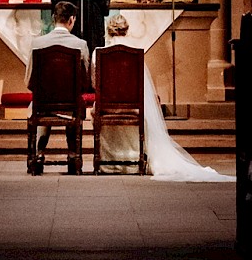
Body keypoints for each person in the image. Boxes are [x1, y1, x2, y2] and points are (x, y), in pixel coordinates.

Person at [95, 13, 233, 182]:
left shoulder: (99, 53)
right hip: (133, 107)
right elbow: (139, 86)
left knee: (96, 110)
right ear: (127, 30)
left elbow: (96, 84)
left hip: (107, 107)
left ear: (108, 30)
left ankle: (107, 162)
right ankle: (132, 160)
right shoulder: (135, 54)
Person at [25, 0, 90, 172]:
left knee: (39, 105)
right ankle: (72, 156)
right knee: (75, 106)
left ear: (54, 18)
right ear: (71, 20)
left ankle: (38, 154)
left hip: (43, 105)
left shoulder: (37, 44)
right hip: (71, 106)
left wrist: (48, 94)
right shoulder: (80, 45)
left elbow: (29, 81)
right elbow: (85, 81)